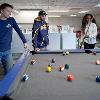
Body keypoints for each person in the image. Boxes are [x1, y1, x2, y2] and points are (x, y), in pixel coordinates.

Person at [0, 3, 28, 75]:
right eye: (8, 11)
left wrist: (24, 42)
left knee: (9, 72)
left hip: (8, 51)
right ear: (2, 11)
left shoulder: (11, 20)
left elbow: (18, 30)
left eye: (11, 11)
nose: (10, 13)